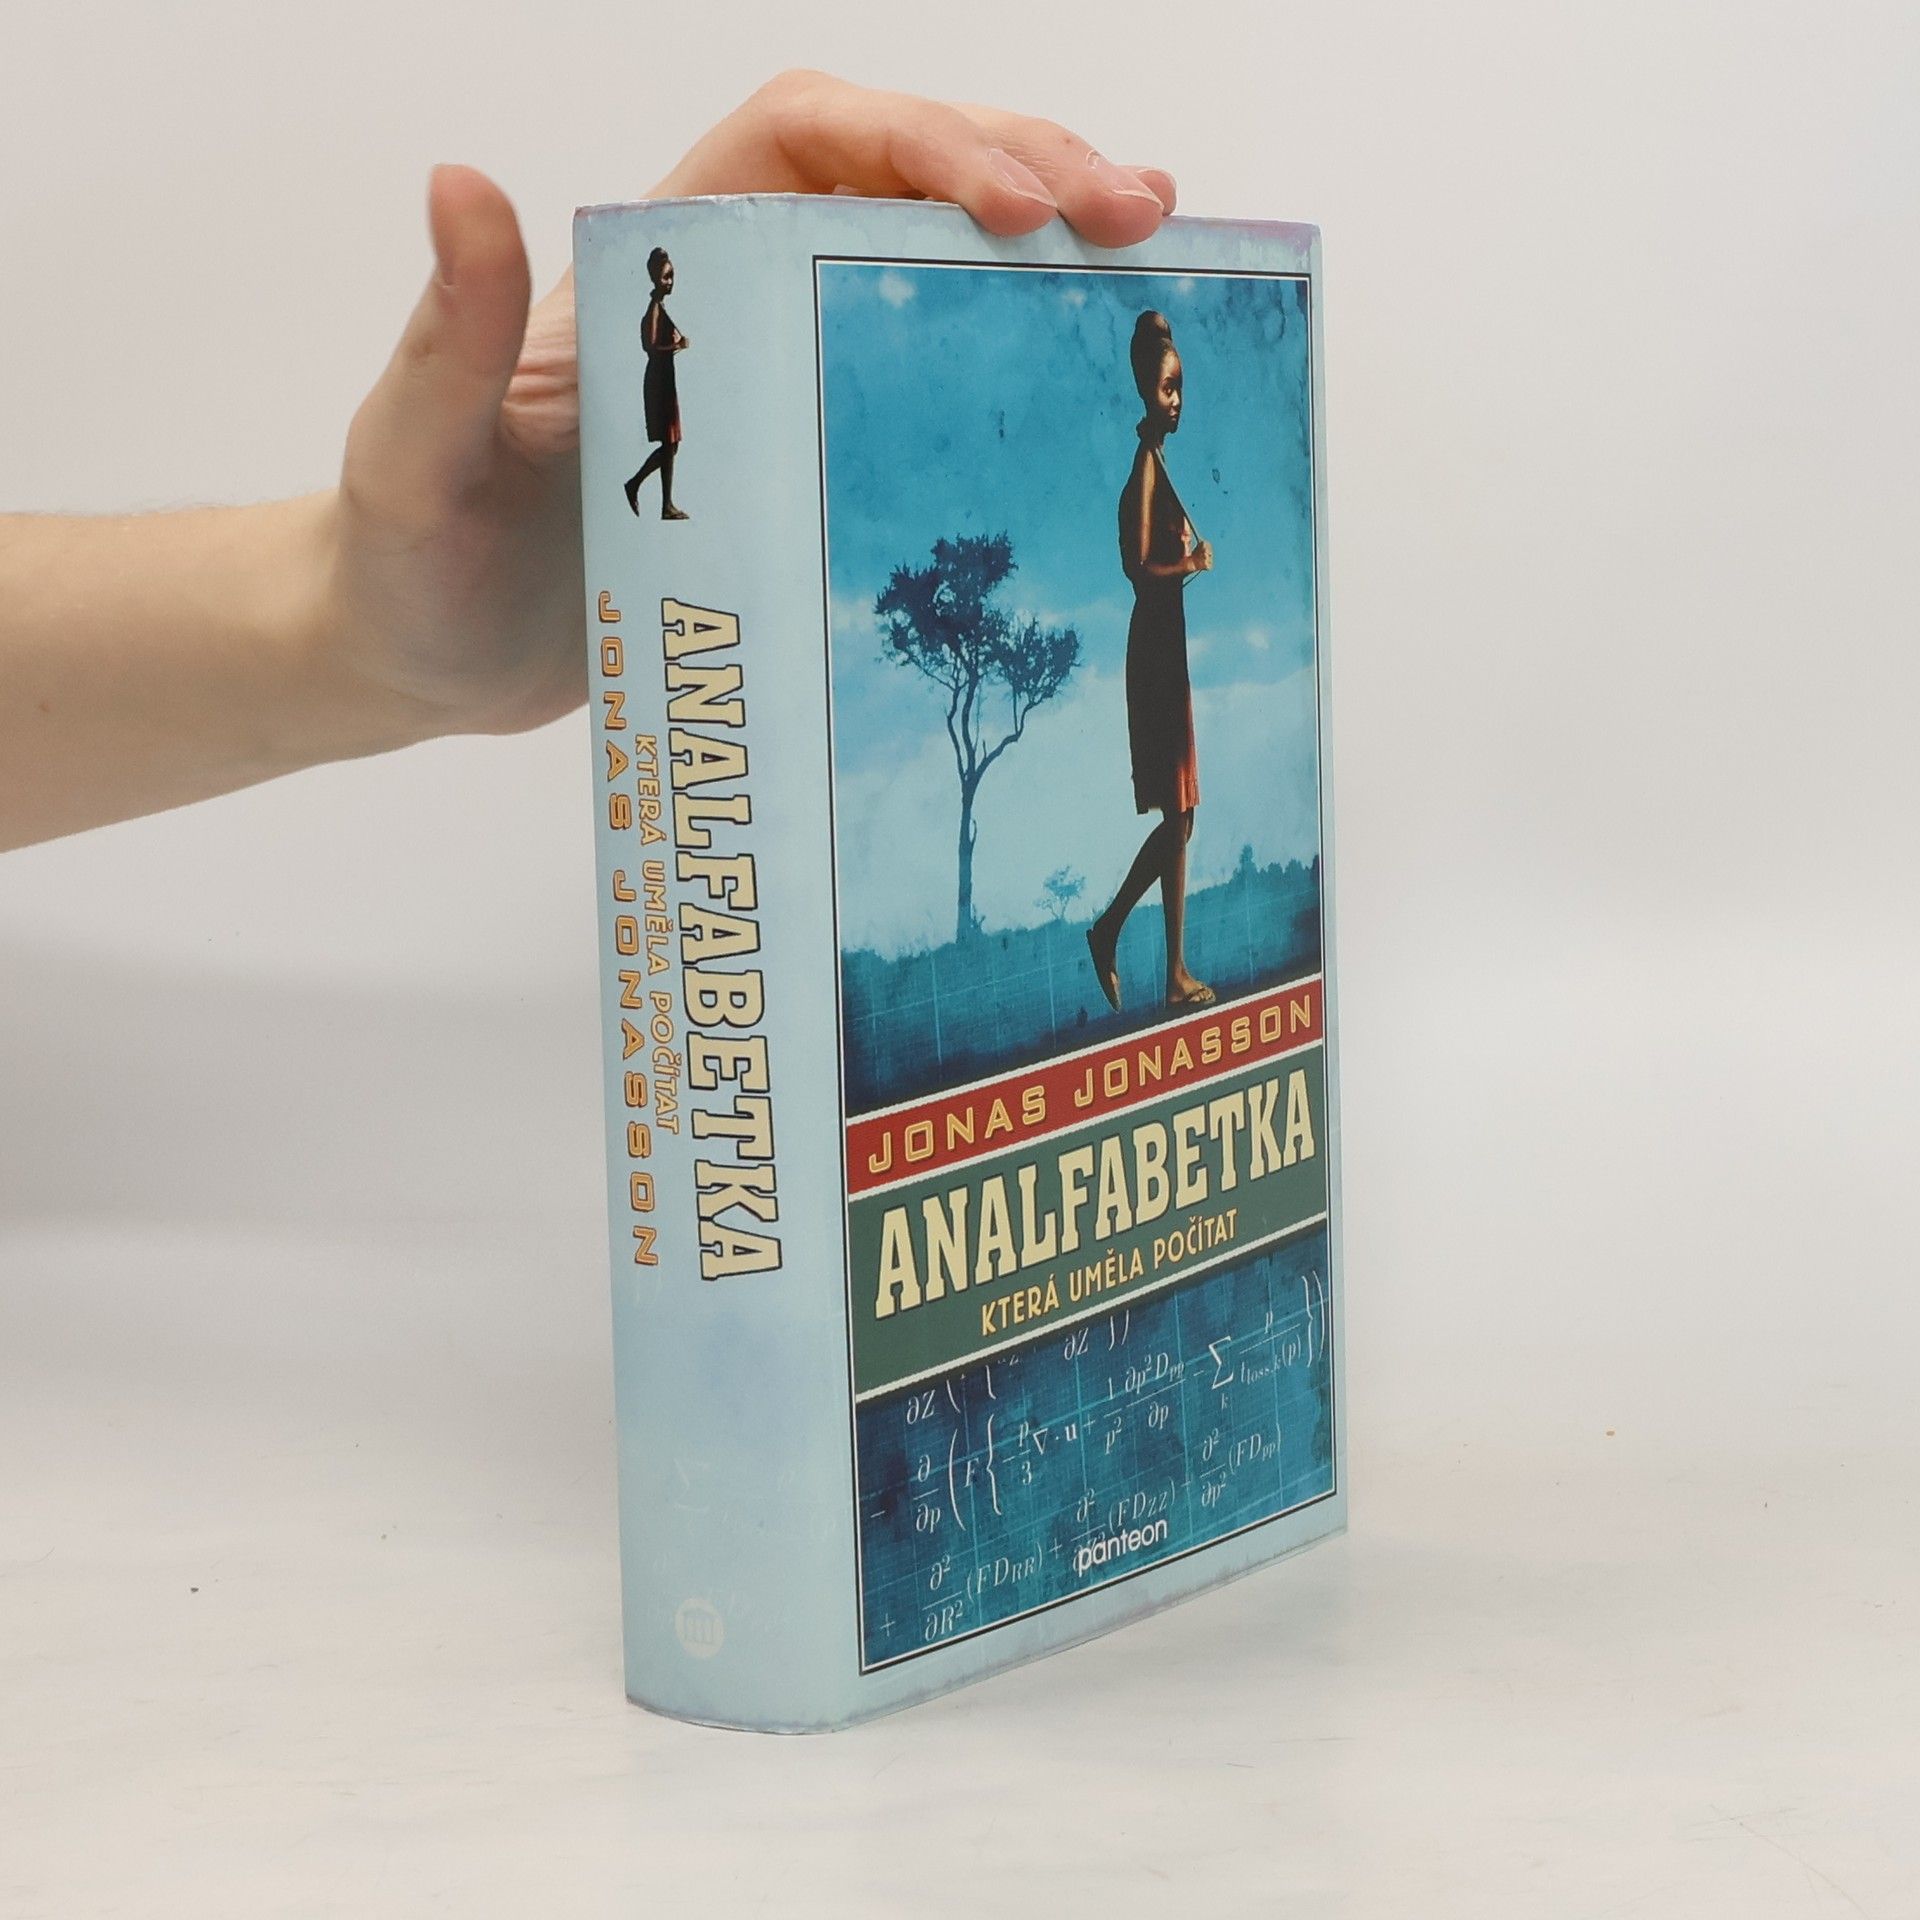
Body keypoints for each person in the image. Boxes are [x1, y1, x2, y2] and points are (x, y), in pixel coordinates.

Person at [0, 71, 1175, 854]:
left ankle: (643, 497)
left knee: (662, 464)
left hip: (639, 430)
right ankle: (646, 493)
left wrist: (351, 625)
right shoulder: (658, 318)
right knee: (661, 458)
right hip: (658, 399)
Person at [1085, 308, 1216, 1014]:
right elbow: (1138, 569)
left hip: (1171, 647)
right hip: (1155, 657)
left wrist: (1185, 565)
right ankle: (1117, 937)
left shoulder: (1159, 464)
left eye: (1181, 387)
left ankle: (1167, 968)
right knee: (1178, 816)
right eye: (1168, 388)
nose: (1177, 400)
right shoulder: (1143, 467)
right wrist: (1189, 563)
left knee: (1182, 817)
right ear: (1145, 389)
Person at [623, 247, 690, 520]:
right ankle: (645, 491)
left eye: (672, 276)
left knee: (671, 445)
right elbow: (650, 346)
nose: (670, 282)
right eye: (665, 277)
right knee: (669, 444)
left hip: (665, 379)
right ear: (654, 278)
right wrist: (676, 345)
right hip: (658, 382)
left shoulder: (661, 308)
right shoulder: (653, 310)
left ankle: (662, 502)